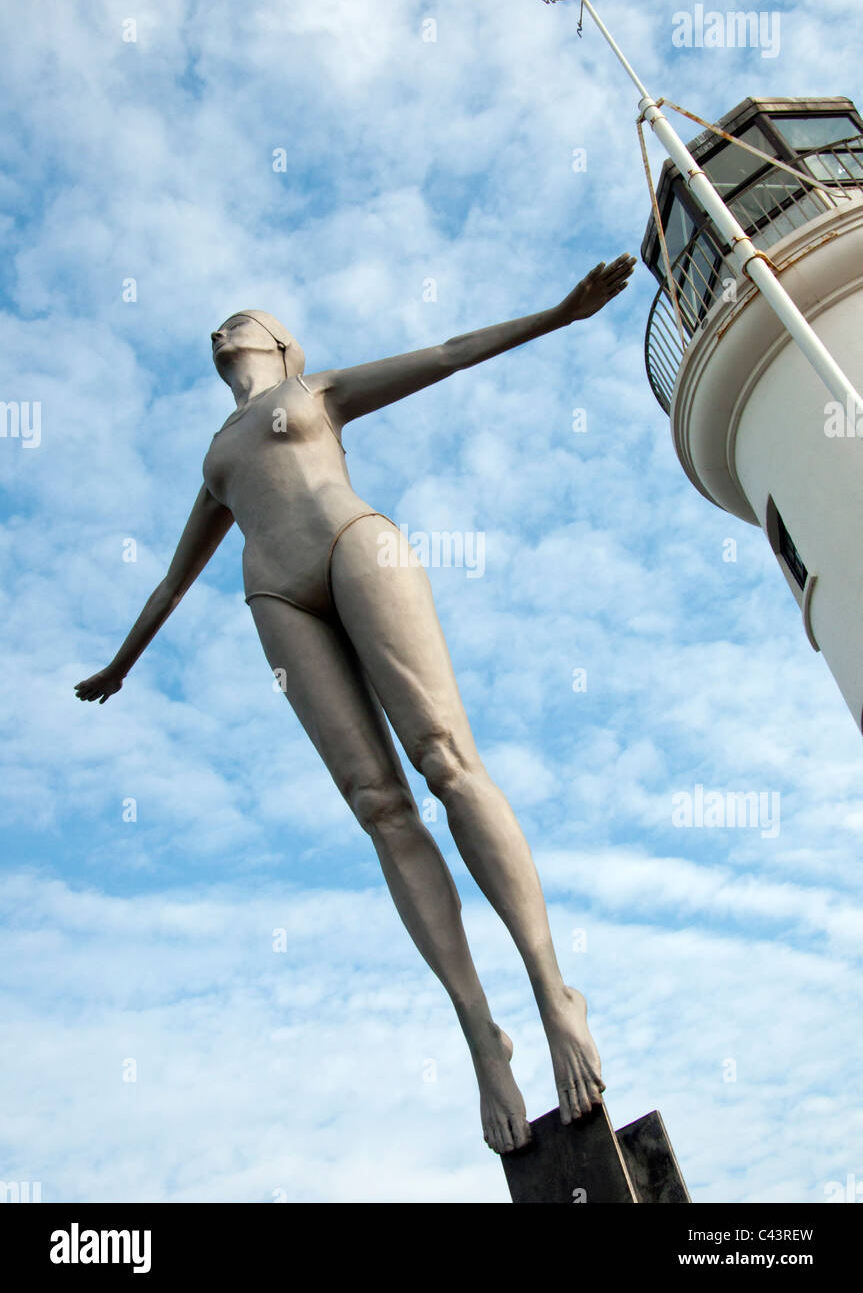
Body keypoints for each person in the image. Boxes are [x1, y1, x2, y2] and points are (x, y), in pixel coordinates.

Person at [75, 254, 636, 1154]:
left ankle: (550, 991)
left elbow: (447, 353)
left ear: (279, 344)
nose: (222, 332)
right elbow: (174, 582)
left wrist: (558, 316)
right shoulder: (218, 455)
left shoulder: (316, 389)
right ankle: (481, 1035)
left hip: (352, 544)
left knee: (445, 760)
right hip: (276, 595)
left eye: (239, 320)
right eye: (218, 326)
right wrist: (121, 664)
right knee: (378, 807)